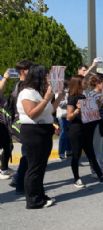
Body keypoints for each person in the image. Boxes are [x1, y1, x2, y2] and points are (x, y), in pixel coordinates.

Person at [17, 64, 63, 208]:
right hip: (33, 132)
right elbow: (32, 113)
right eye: (46, 75)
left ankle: (39, 194)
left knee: (41, 166)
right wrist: (46, 98)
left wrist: (59, 97)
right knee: (34, 167)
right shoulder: (27, 93)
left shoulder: (37, 92)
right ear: (38, 76)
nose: (48, 78)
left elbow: (49, 110)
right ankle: (33, 200)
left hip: (43, 130)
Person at [67, 75, 103, 188]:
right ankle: (76, 178)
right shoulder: (72, 97)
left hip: (87, 128)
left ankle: (101, 176)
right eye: (83, 81)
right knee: (76, 155)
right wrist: (78, 109)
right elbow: (69, 117)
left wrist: (98, 104)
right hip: (76, 130)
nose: (86, 83)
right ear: (78, 83)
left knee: (91, 155)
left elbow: (91, 111)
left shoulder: (84, 96)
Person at [8, 60, 33, 194]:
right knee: (27, 155)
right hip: (23, 123)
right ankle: (20, 181)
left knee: (26, 153)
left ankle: (18, 178)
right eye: (30, 69)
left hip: (22, 123)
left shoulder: (19, 85)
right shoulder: (22, 86)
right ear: (23, 71)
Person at [0, 70, 13, 180]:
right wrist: (5, 79)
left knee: (8, 145)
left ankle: (4, 167)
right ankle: (3, 170)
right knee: (7, 146)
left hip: (3, 122)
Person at [55, 80, 71, 160]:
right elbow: (60, 103)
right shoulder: (59, 92)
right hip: (62, 116)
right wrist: (70, 101)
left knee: (69, 133)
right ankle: (61, 152)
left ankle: (69, 151)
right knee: (63, 134)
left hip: (69, 115)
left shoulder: (69, 91)